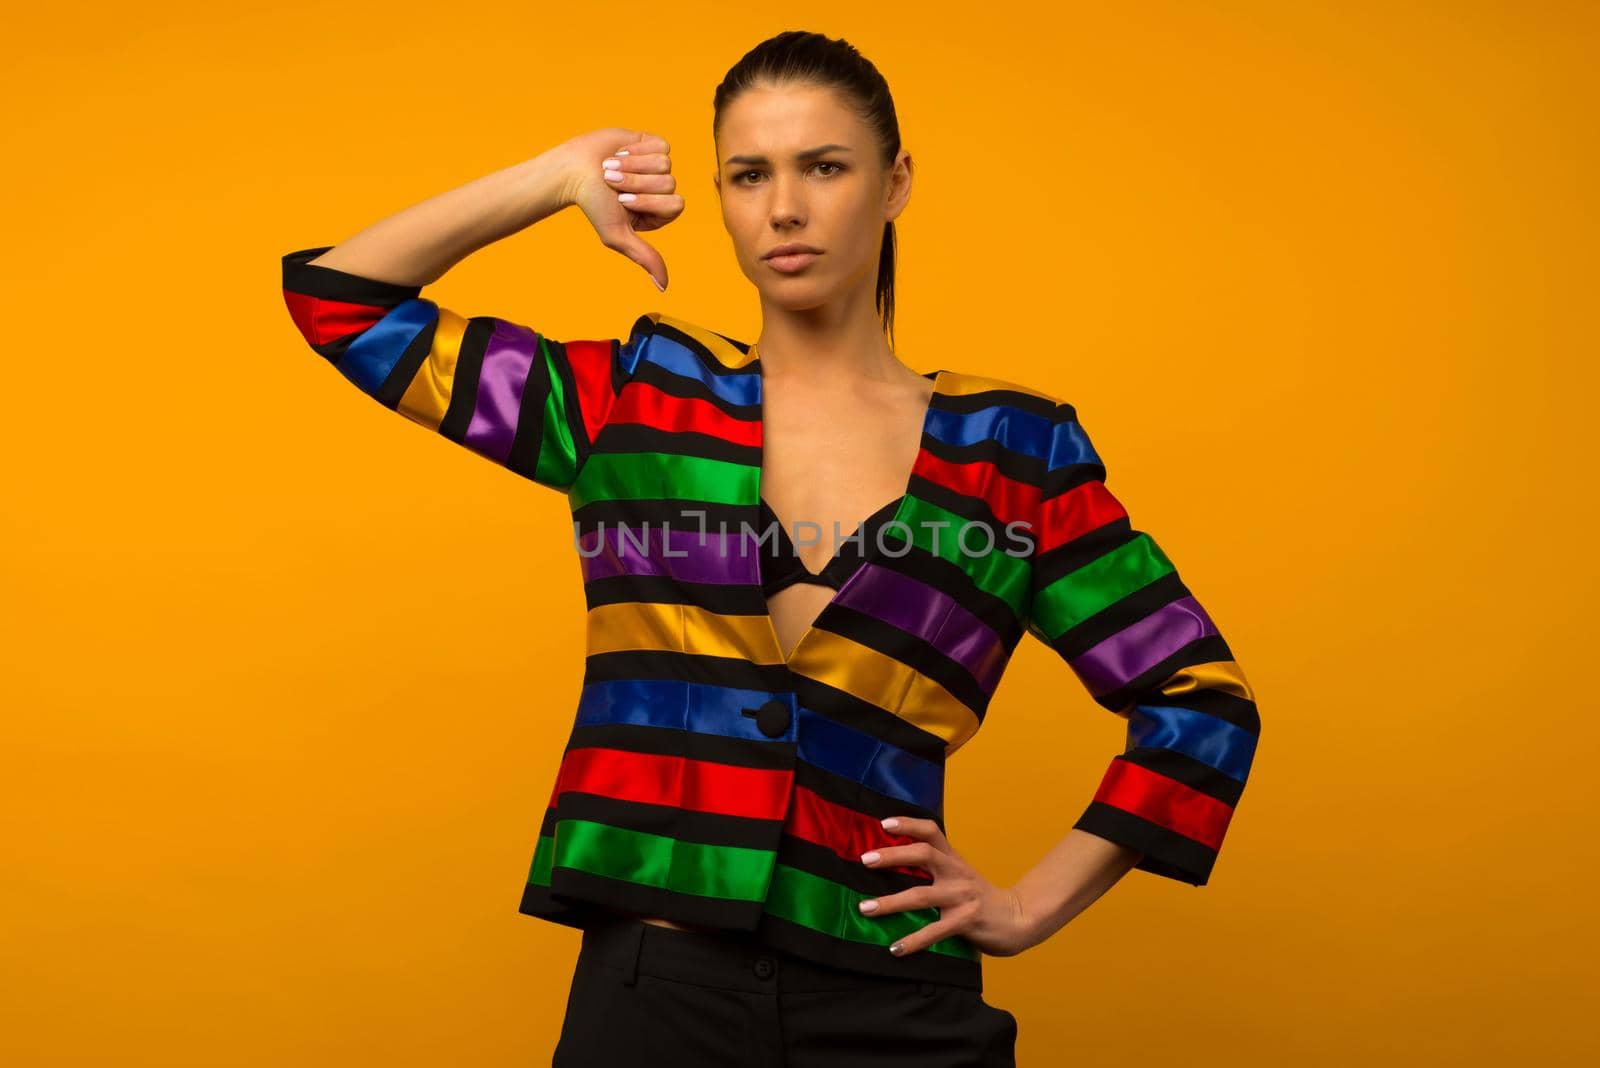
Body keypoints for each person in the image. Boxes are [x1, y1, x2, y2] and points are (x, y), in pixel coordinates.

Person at [278, 29, 1260, 1068]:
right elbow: (342, 304)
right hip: (654, 994)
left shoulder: (1015, 456)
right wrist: (560, 174)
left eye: (823, 167)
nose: (783, 208)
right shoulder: (636, 404)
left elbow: (1198, 701)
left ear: (894, 184)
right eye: (749, 175)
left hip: (896, 998)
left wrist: (1024, 905)